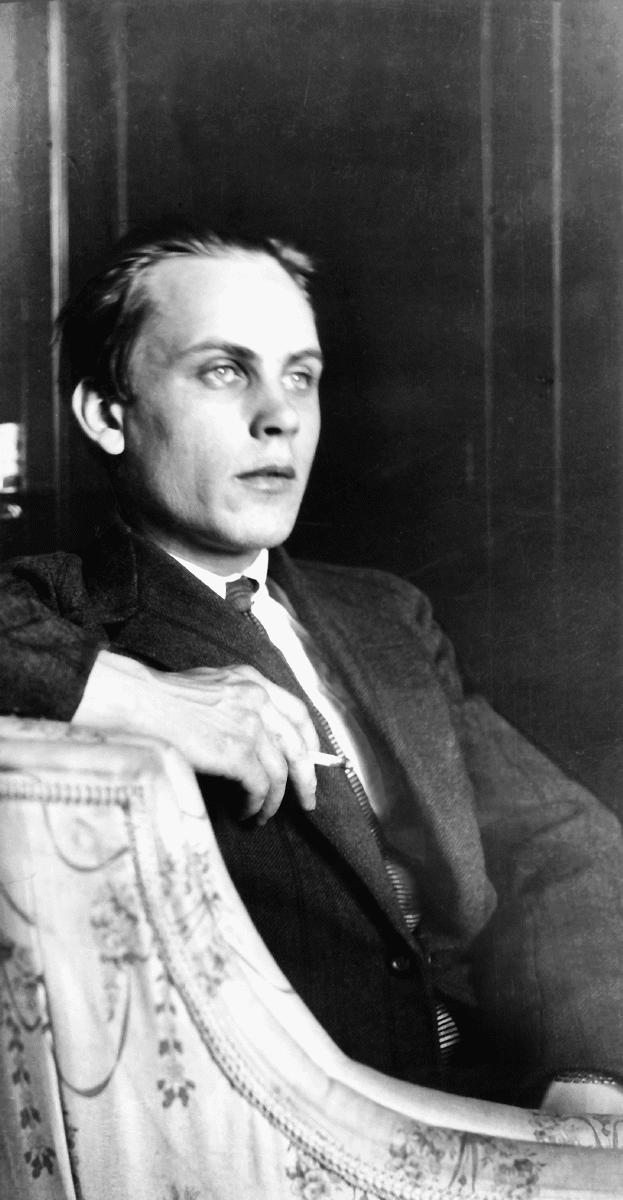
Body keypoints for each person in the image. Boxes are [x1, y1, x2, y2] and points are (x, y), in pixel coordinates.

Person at [2, 226, 623, 1114]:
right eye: (224, 370)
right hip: (290, 1136)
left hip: (514, 1103)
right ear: (108, 413)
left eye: (300, 376)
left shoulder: (385, 614)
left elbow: (555, 841)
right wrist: (136, 696)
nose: (280, 416)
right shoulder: (63, 610)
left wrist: (589, 1073)